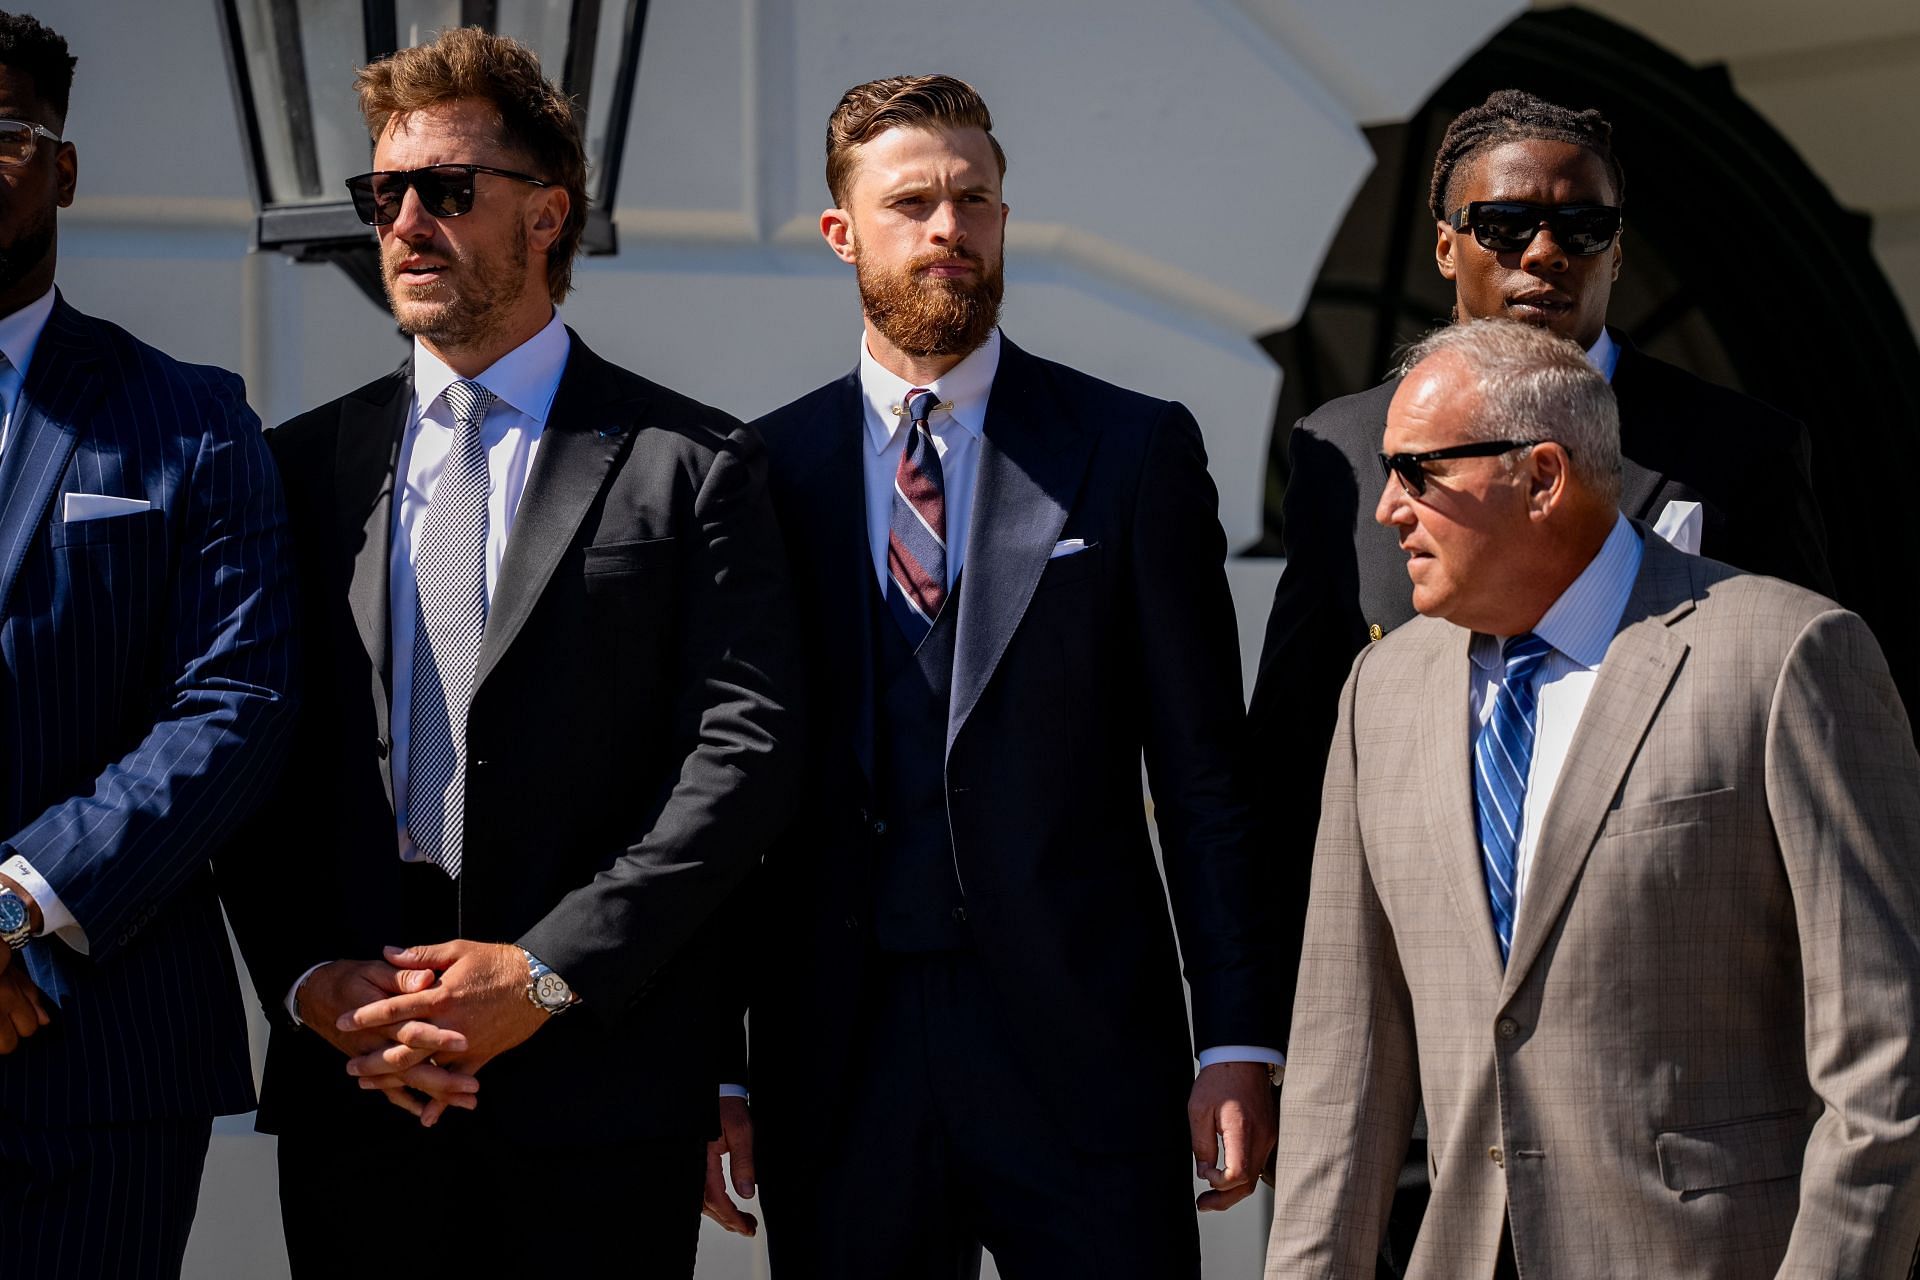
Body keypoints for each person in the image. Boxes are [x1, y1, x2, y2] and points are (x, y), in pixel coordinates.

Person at [215, 28, 801, 1278]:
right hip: (361, 1073)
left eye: (447, 189)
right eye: (386, 193)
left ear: (547, 214)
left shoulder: (690, 462)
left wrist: (541, 975)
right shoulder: (296, 465)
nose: (407, 221)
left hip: (597, 1079)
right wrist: (315, 981)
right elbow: (251, 740)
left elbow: (742, 760)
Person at [1246, 93, 1838, 1266]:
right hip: (1442, 1120)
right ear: (1445, 242)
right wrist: (1253, 1038)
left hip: (1676, 1140)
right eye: (1506, 223)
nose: (1544, 255)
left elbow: (1813, 754)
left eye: (1582, 228)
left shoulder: (1740, 449)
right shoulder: (1350, 454)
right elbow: (1290, 770)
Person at [704, 74, 1280, 1278]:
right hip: (836, 1058)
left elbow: (1205, 776)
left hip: (1085, 1053)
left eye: (975, 199)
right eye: (911, 202)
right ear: (842, 232)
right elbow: (722, 795)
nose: (948, 229)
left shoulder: (1129, 449)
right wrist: (718, 1062)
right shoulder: (754, 472)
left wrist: (1237, 1034)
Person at [1263, 319, 1920, 1280]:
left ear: (1542, 476)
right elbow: (1339, 1066)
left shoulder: (1786, 656)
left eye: (1418, 472)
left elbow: (1889, 1060)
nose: (1386, 510)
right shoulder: (1381, 690)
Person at [0, 11, 297, 1277]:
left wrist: (16, 906)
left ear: (63, 167)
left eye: (3, 133)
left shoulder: (188, 419)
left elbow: (235, 698)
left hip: (95, 1054)